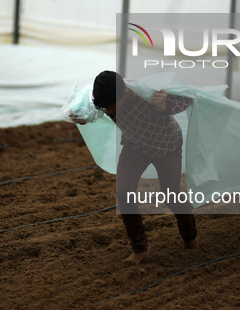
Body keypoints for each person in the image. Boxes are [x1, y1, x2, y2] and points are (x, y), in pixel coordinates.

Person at [77, 70, 199, 264]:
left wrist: (166, 103)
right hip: (135, 145)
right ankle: (139, 248)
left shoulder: (146, 92)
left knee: (171, 194)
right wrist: (82, 117)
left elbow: (188, 97)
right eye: (105, 107)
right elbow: (93, 110)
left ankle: (190, 236)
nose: (109, 112)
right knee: (124, 192)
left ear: (125, 94)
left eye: (111, 107)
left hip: (166, 145)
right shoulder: (107, 97)